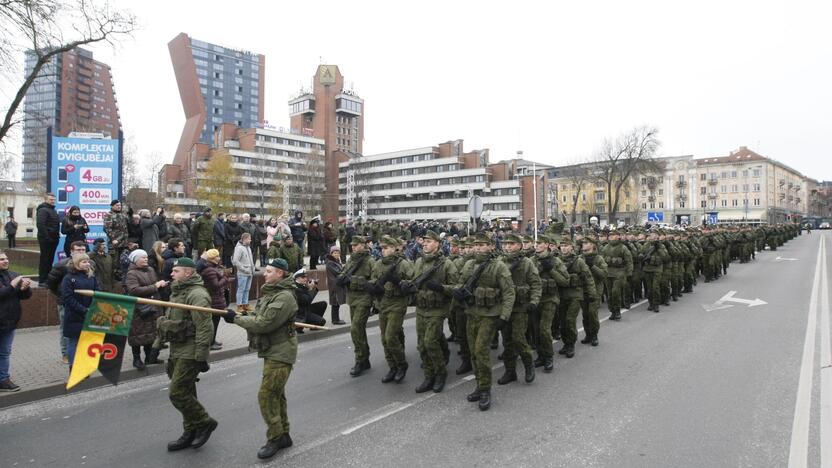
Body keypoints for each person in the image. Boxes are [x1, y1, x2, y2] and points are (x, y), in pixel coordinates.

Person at [222, 258, 297, 459]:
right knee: (276, 394)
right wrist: (241, 313)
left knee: (266, 395)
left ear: (280, 273)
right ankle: (284, 434)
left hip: (281, 353)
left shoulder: (284, 297)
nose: (265, 273)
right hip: (272, 350)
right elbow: (259, 314)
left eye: (269, 271)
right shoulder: (272, 293)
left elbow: (264, 324)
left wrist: (236, 320)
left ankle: (275, 437)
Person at [157, 257, 217, 451]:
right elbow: (168, 319)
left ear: (188, 273)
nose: (171, 274)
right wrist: (158, 343)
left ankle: (204, 422)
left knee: (177, 392)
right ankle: (190, 430)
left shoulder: (197, 294)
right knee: (188, 391)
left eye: (176, 271)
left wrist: (201, 356)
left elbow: (204, 327)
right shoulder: (178, 291)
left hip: (190, 351)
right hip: (177, 348)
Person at [452, 233, 515, 411]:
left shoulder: (498, 266)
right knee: (473, 352)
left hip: (490, 314)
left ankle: (486, 389)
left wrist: (504, 316)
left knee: (481, 350)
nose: (478, 247)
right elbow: (460, 282)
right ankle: (479, 385)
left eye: (482, 244)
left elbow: (509, 292)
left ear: (490, 246)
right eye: (476, 244)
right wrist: (457, 291)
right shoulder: (469, 264)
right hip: (472, 312)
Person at [404, 231, 454, 392]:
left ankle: (440, 373)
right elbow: (413, 279)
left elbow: (458, 287)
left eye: (429, 241)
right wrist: (405, 284)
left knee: (430, 342)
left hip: (438, 309)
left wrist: (441, 288)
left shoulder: (446, 264)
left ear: (437, 244)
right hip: (421, 308)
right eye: (424, 242)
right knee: (421, 345)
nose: (425, 244)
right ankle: (428, 375)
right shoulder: (418, 262)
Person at [497, 233, 540, 386]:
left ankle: (528, 365)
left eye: (511, 244)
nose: (507, 246)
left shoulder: (526, 262)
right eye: (506, 244)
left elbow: (535, 284)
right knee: (507, 341)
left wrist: (534, 302)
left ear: (520, 246)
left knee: (518, 338)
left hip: (521, 307)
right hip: (504, 308)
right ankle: (510, 371)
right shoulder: (499, 261)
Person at [336, 236, 374, 377]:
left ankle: (359, 359)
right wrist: (341, 278)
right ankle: (365, 359)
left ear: (363, 245)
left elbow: (374, 281)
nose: (353, 246)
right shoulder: (351, 259)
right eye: (352, 244)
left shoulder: (370, 261)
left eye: (356, 244)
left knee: (355, 328)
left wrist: (355, 280)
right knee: (359, 330)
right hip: (352, 299)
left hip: (364, 298)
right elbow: (344, 272)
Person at [46, 241, 87, 364]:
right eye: (78, 250)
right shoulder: (61, 265)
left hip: (85, 304)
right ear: (71, 252)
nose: (81, 252)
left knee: (84, 329)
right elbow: (51, 283)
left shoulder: (90, 264)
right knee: (66, 330)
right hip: (66, 304)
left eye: (83, 250)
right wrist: (62, 296)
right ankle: (66, 354)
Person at [125, 249, 167, 369]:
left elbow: (155, 285)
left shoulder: (150, 269)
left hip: (153, 306)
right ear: (135, 260)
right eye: (142, 258)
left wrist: (161, 285)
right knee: (138, 334)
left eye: (146, 257)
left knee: (151, 332)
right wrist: (155, 287)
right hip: (139, 308)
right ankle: (136, 359)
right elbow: (133, 290)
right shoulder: (131, 273)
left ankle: (149, 357)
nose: (145, 259)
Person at [0, 250, 32, 391]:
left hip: (9, 321)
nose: (5, 261)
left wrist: (25, 289)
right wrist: (12, 286)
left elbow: (23, 296)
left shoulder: (13, 275)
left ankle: (3, 379)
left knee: (5, 352)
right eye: (1, 259)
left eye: (6, 258)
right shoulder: (13, 279)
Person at [60, 253, 99, 367]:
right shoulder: (68, 278)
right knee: (74, 342)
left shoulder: (91, 276)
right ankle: (74, 366)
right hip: (74, 315)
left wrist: (93, 308)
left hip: (90, 313)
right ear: (76, 263)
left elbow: (97, 292)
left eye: (88, 262)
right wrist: (83, 310)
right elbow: (68, 298)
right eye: (84, 262)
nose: (87, 264)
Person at [199, 249, 228, 350]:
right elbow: (215, 286)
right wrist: (224, 278)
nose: (219, 258)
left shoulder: (213, 268)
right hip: (213, 300)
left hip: (216, 299)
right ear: (212, 258)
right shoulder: (210, 270)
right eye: (217, 256)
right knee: (213, 322)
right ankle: (210, 343)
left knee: (216, 321)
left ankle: (213, 340)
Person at [36, 193, 60, 286]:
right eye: (50, 199)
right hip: (46, 239)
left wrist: (55, 237)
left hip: (54, 239)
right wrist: (47, 237)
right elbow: (41, 225)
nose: (53, 201)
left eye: (53, 199)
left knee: (50, 259)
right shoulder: (43, 210)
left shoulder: (53, 210)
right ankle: (42, 280)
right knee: (45, 259)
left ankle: (48, 279)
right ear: (45, 199)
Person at [103, 200, 130, 279]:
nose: (119, 206)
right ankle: (113, 276)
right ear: (112, 206)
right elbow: (107, 229)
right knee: (114, 261)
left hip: (124, 242)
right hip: (115, 242)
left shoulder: (122, 215)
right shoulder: (109, 215)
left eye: (119, 205)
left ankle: (121, 275)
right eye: (117, 205)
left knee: (123, 260)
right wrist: (113, 239)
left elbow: (127, 225)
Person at [232, 232, 254, 312]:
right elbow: (235, 261)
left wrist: (252, 268)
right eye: (249, 239)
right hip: (242, 273)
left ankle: (245, 304)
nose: (250, 240)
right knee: (241, 289)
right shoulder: (239, 248)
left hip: (250, 272)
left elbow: (251, 259)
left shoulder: (248, 247)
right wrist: (244, 269)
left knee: (247, 289)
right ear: (244, 239)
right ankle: (239, 305)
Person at [324, 246, 347, 325]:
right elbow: (338, 272)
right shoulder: (330, 262)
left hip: (336, 284)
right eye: (335, 253)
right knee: (335, 302)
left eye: (338, 253)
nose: (337, 254)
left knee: (336, 302)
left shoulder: (336, 261)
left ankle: (336, 319)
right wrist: (345, 269)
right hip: (334, 285)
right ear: (331, 254)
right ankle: (335, 320)